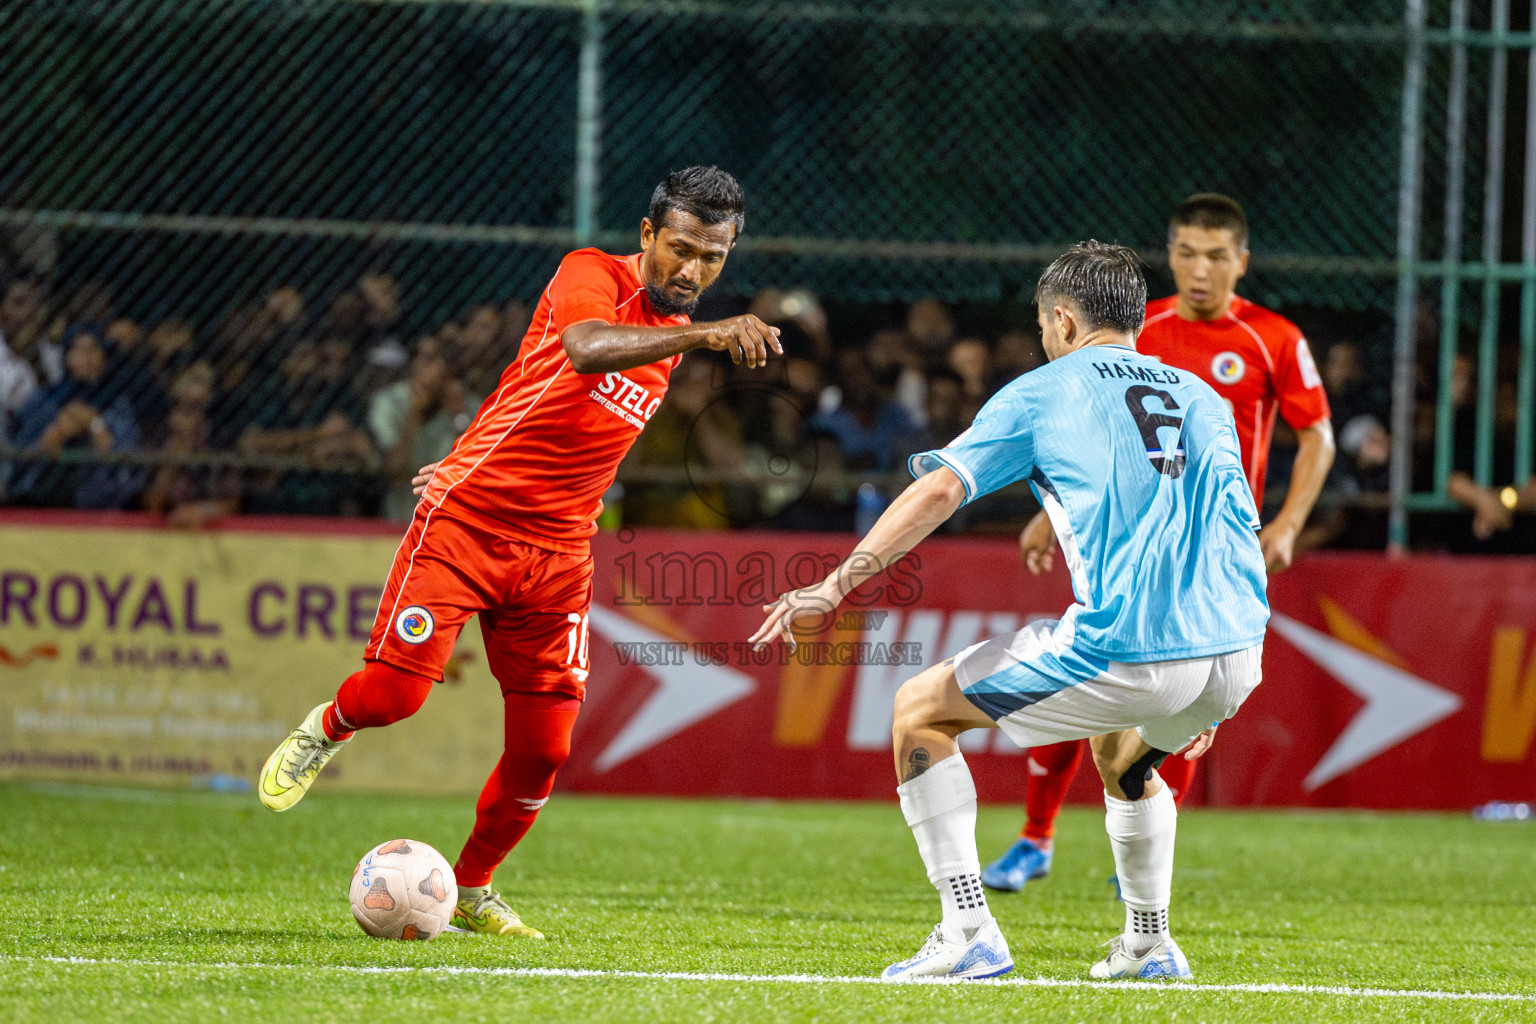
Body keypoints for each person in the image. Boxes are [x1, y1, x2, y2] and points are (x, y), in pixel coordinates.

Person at [257, 166, 781, 939]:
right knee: (394, 698)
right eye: (680, 249)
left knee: (545, 749)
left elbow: (556, 417)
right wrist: (707, 333)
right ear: (647, 234)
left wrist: (477, 454)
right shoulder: (591, 275)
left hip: (559, 555)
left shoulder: (669, 332)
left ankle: (473, 888)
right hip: (468, 526)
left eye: (712, 257)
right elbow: (583, 350)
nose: (692, 270)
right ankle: (327, 727)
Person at [750, 242, 1269, 981]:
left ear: (1063, 320)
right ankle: (1148, 944)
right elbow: (1236, 524)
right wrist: (1215, 673)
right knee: (1122, 758)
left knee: (919, 712)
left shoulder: (1043, 391)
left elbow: (940, 490)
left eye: (1043, 323)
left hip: (1132, 649)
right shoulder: (1202, 397)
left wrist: (833, 587)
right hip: (1236, 645)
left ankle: (968, 930)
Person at [982, 194, 1333, 892]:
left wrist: (1289, 522)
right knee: (1080, 670)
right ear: (1169, 254)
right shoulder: (1141, 328)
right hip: (1123, 535)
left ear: (1241, 261)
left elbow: (1317, 436)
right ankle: (1036, 837)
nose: (1200, 270)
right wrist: (1051, 512)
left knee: (1186, 697)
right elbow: (1097, 428)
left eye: (1216, 256)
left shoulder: (1273, 338)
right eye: (1186, 254)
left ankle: (1137, 849)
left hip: (1214, 547)